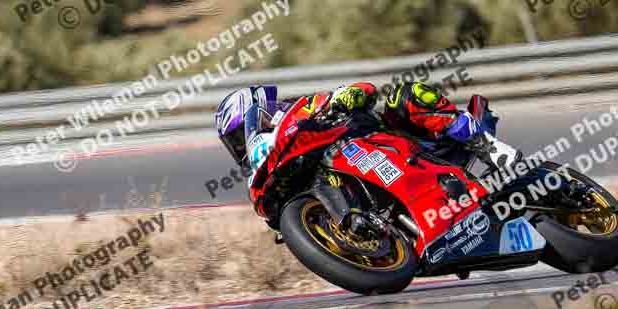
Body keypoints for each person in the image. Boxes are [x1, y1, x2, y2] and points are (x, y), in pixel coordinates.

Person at [215, 82, 520, 180]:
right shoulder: (273, 167)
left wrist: (345, 97)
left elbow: (364, 90)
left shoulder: (301, 110)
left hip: (403, 147)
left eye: (239, 135)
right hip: (376, 180)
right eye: (234, 144)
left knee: (406, 94)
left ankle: (488, 147)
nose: (241, 147)